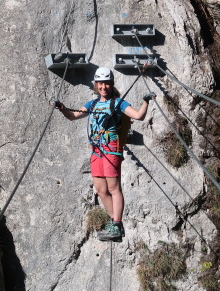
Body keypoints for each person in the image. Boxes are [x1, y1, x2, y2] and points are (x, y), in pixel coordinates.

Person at [55, 67, 155, 241]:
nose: (104, 87)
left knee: (114, 188)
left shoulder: (118, 102)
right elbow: (72, 116)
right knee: (101, 191)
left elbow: (138, 116)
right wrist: (62, 108)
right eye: (101, 83)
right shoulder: (92, 104)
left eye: (107, 83)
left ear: (111, 84)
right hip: (96, 150)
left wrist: (145, 101)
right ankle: (115, 224)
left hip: (111, 149)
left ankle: (116, 223)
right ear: (96, 85)